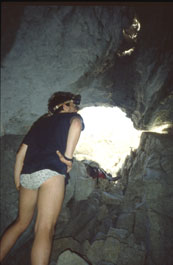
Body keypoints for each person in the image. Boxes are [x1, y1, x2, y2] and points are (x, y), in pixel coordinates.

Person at [0, 91, 84, 265]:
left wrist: (18, 182)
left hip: (27, 176)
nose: (76, 107)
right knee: (44, 228)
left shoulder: (39, 124)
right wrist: (67, 158)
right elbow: (76, 125)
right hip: (51, 172)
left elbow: (19, 155)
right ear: (64, 105)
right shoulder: (72, 117)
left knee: (21, 223)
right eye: (73, 104)